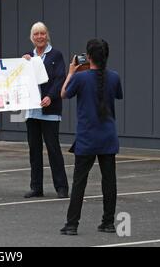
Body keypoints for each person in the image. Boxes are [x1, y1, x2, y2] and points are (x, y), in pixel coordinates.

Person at [60, 39, 123, 235]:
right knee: (109, 181)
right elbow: (118, 96)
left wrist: (71, 72)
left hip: (87, 137)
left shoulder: (80, 78)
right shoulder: (114, 77)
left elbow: (63, 94)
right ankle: (108, 222)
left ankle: (72, 224)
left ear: (88, 57)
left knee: (80, 181)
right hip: (108, 136)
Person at [22, 22, 69, 199]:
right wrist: (22, 65)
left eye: (42, 33)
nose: (39, 37)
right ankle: (36, 187)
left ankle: (61, 187)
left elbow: (59, 78)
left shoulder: (56, 55)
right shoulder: (28, 57)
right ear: (31, 37)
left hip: (50, 111)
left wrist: (50, 96)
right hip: (32, 111)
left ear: (47, 35)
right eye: (36, 34)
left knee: (53, 149)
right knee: (34, 150)